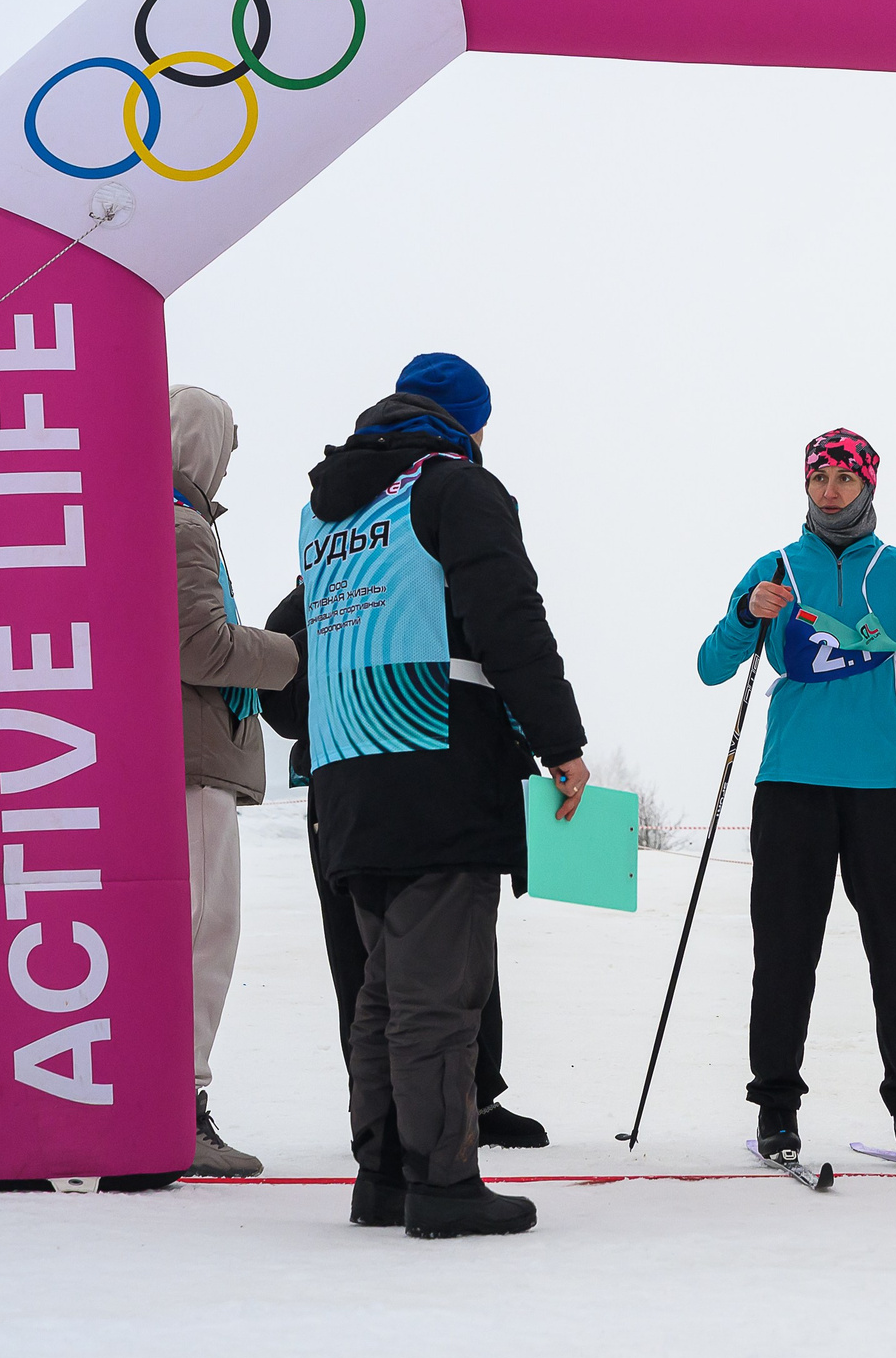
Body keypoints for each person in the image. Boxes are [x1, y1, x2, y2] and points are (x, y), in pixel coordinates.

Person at [297, 353, 587, 1239]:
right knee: (438, 995)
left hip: (348, 764)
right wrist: (560, 741)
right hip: (437, 760)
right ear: (469, 422)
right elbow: (510, 614)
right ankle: (444, 1182)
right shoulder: (454, 486)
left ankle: (382, 1176)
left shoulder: (324, 507)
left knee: (382, 991)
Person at [697, 428, 896, 1167]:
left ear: (868, 485)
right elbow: (711, 665)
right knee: (785, 950)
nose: (830, 489)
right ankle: (775, 1109)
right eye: (819, 477)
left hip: (884, 789)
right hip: (792, 782)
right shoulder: (775, 567)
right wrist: (746, 616)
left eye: (844, 477)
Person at [259, 593, 550, 1152]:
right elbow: (284, 709)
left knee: (461, 951)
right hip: (348, 788)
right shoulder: (307, 603)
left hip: (441, 775)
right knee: (365, 963)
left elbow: (495, 663)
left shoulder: (435, 575)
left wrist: (530, 745)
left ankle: (474, 1098)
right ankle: (386, 1124)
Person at [170, 386, 301, 1179]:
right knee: (204, 933)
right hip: (193, 766)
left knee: (198, 932)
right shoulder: (184, 527)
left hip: (193, 762)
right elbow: (201, 648)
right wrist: (292, 652)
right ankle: (179, 1106)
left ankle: (172, 1101)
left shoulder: (178, 521)